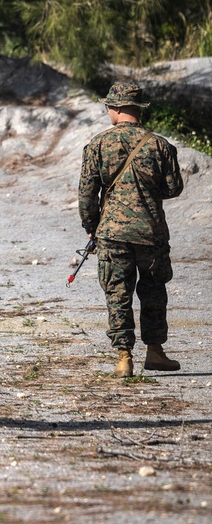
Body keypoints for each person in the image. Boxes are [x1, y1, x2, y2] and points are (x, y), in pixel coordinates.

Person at [79, 82, 184, 378]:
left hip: (112, 234)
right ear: (138, 109)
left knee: (117, 293)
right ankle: (155, 352)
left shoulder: (98, 144)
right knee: (153, 292)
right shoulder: (160, 145)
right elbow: (174, 188)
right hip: (151, 232)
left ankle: (124, 358)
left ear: (114, 108)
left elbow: (87, 195)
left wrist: (91, 226)